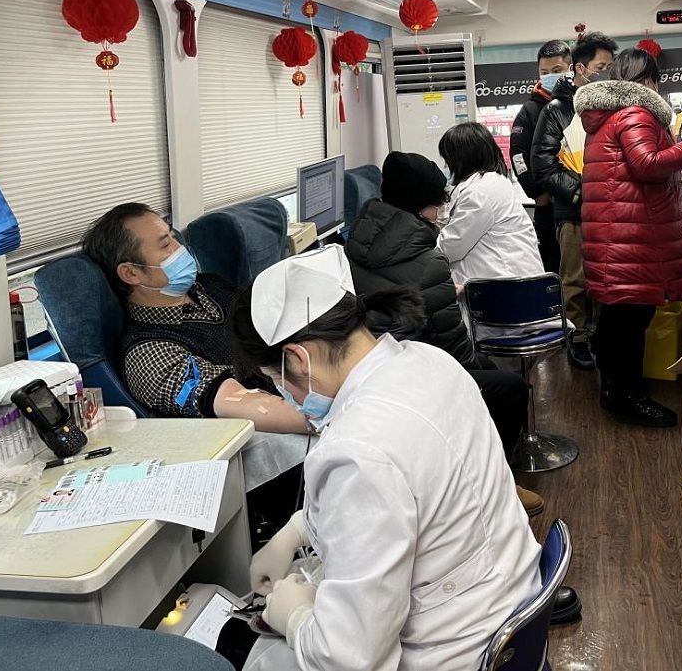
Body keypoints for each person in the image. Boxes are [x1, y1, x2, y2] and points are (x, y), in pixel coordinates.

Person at [228, 245, 544, 671]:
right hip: (508, 604)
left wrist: (295, 616)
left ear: (297, 359)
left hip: (453, 651)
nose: (286, 394)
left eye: (275, 379)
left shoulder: (357, 450)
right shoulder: (430, 361)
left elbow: (350, 659)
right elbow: (416, 496)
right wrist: (297, 531)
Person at [345, 150, 544, 518]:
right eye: (437, 206)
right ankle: (492, 487)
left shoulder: (355, 243)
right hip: (417, 373)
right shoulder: (429, 261)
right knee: (509, 387)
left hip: (378, 367)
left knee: (488, 366)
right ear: (421, 207)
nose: (440, 213)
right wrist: (443, 296)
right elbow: (456, 352)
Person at [82, 203, 308, 432]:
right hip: (281, 429)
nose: (181, 249)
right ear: (131, 273)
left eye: (173, 237)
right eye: (166, 244)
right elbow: (242, 403)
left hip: (303, 385)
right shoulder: (149, 354)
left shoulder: (210, 286)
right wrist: (323, 415)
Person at [575, 47, 682, 427]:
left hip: (616, 235)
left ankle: (615, 392)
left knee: (619, 321)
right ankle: (628, 398)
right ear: (647, 81)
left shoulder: (607, 115)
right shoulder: (636, 113)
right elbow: (647, 164)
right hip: (631, 236)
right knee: (630, 322)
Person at [531, 31, 619, 371]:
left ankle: (600, 335)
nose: (607, 73)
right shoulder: (557, 110)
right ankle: (577, 337)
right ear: (580, 69)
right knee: (574, 279)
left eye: (610, 67)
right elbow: (543, 163)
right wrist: (581, 191)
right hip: (573, 210)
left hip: (610, 211)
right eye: (601, 67)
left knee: (608, 278)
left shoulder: (613, 107)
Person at [437, 122, 544, 288]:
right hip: (515, 283)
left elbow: (450, 247)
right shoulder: (494, 182)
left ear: (461, 159)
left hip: (504, 289)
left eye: (448, 159)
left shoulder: (479, 193)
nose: (446, 165)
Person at [509, 39, 571, 274]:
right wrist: (536, 192)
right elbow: (517, 155)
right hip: (548, 207)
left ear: (570, 68)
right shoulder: (530, 110)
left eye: (556, 70)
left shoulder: (582, 103)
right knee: (552, 266)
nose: (550, 76)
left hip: (581, 202)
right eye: (544, 72)